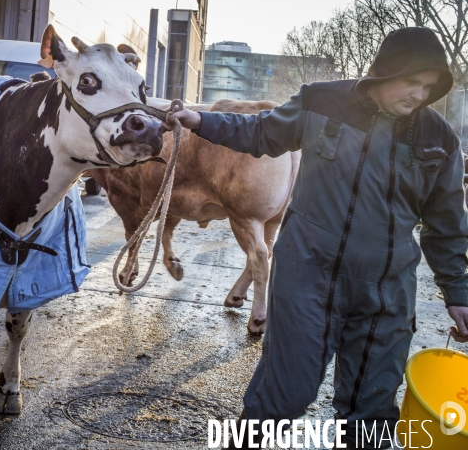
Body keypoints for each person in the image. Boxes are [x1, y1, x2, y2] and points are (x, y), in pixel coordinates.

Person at [170, 27, 468, 449]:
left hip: (386, 293)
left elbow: (448, 222)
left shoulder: (438, 139)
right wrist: (201, 121)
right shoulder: (322, 101)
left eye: (427, 87)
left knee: (372, 415)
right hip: (308, 277)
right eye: (411, 82)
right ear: (385, 73)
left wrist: (458, 293)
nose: (418, 95)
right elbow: (259, 132)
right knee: (284, 396)